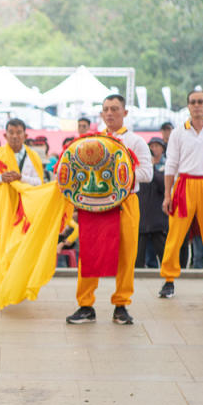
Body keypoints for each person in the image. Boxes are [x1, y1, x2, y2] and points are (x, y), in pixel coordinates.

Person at [65, 94, 153, 326]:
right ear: (102, 114)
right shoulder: (91, 140)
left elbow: (147, 173)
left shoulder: (135, 141)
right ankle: (85, 305)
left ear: (125, 112)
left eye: (115, 108)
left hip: (125, 204)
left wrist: (120, 176)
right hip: (94, 205)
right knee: (89, 254)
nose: (110, 113)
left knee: (126, 255)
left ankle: (121, 305)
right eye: (106, 109)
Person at [0, 119, 66, 308]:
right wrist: (0, 178)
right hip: (7, 213)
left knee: (23, 249)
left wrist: (20, 178)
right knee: (6, 251)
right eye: (11, 132)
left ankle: (22, 285)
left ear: (25, 135)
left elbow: (39, 184)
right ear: (5, 135)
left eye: (19, 132)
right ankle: (4, 287)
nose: (15, 136)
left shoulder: (33, 157)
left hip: (28, 213)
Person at [157, 90, 203, 299]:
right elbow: (171, 164)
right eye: (193, 102)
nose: (197, 106)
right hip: (184, 184)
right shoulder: (179, 132)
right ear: (188, 106)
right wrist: (168, 195)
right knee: (175, 234)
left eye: (200, 102)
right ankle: (168, 279)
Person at [137, 138, 168, 268]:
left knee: (162, 250)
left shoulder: (165, 166)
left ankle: (169, 274)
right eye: (152, 146)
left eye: (156, 146)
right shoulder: (140, 167)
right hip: (142, 213)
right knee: (138, 252)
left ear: (162, 149)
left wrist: (152, 170)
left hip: (157, 215)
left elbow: (163, 185)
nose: (154, 149)